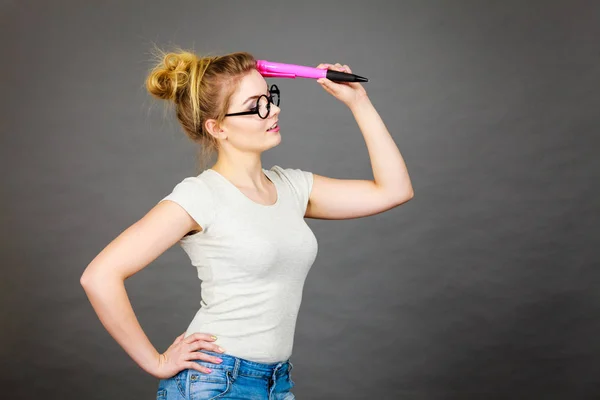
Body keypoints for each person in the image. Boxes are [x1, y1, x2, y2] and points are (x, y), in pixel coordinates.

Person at [80, 47, 414, 399]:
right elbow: (99, 276)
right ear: (218, 127)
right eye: (257, 105)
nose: (274, 110)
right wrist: (157, 361)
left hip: (277, 383)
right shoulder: (201, 196)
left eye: (269, 96)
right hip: (216, 382)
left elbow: (395, 190)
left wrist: (358, 102)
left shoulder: (292, 187)